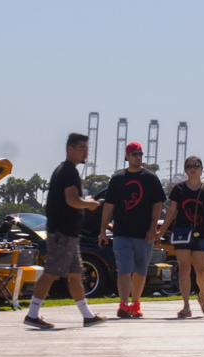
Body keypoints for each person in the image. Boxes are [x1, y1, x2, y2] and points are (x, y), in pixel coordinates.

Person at [24, 133, 107, 329]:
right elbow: (71, 200)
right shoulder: (68, 171)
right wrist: (91, 204)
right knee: (51, 272)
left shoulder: (66, 170)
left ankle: (87, 316)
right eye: (81, 148)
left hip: (68, 232)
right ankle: (32, 314)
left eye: (86, 148)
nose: (85, 152)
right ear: (70, 149)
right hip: (62, 232)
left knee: (76, 275)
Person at [99, 141, 164, 318]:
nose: (138, 157)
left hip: (144, 234)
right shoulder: (118, 179)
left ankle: (135, 304)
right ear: (127, 157)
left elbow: (157, 203)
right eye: (134, 154)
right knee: (124, 269)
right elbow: (108, 206)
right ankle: (123, 305)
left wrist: (153, 228)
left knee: (141, 270)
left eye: (140, 154)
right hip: (122, 233)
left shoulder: (150, 178)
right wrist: (103, 230)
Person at [158, 155, 204, 318]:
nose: (193, 168)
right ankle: (186, 306)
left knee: (201, 270)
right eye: (190, 165)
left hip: (201, 232)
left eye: (196, 165)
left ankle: (202, 296)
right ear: (185, 169)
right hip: (182, 232)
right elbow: (171, 211)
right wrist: (161, 231)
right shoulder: (179, 189)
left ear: (201, 168)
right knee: (184, 268)